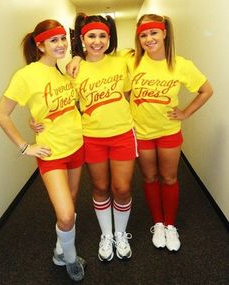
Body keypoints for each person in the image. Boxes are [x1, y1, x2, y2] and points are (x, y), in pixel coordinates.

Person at [0, 19, 86, 281]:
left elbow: (58, 108)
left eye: (62, 39)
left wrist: (78, 57)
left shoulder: (63, 71)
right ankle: (70, 259)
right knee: (66, 215)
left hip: (76, 146)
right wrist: (25, 147)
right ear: (40, 45)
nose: (60, 44)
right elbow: (1, 114)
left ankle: (60, 249)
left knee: (71, 202)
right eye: (54, 40)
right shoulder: (25, 75)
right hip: (52, 153)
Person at [128, 13, 213, 251]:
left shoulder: (181, 64)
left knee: (169, 178)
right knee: (149, 177)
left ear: (164, 32)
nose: (148, 38)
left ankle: (170, 225)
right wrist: (78, 61)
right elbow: (102, 65)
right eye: (143, 34)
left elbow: (206, 90)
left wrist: (185, 113)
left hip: (168, 132)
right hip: (142, 132)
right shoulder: (131, 61)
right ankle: (157, 223)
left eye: (153, 32)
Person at [72, 13, 137, 262]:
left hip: (122, 134)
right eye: (91, 36)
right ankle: (106, 234)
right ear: (82, 38)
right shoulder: (74, 69)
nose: (97, 41)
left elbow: (130, 93)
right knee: (99, 187)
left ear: (108, 38)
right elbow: (68, 104)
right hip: (91, 137)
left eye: (102, 35)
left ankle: (121, 233)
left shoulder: (122, 61)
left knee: (121, 188)